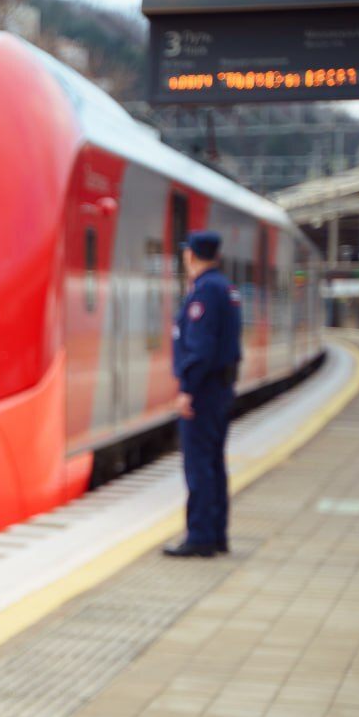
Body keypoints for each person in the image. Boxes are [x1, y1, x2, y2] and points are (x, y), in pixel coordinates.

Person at [164, 230, 241, 558]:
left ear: (191, 255)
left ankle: (200, 537)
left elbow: (201, 347)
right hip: (219, 387)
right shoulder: (225, 288)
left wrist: (187, 389)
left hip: (205, 390)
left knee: (199, 466)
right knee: (213, 464)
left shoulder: (205, 292)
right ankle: (216, 533)